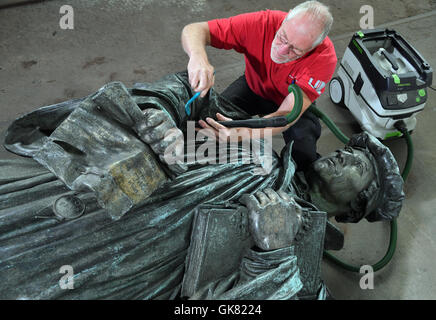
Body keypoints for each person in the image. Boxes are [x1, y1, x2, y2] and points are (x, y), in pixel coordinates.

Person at [0, 72, 403, 300]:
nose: (343, 154)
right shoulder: (255, 142)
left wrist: (273, 254)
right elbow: (187, 97)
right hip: (89, 193)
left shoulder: (301, 266)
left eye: (358, 164)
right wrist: (158, 118)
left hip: (119, 269)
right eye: (349, 149)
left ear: (353, 210)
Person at [181, 1, 337, 171]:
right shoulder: (262, 23)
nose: (282, 50)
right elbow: (195, 29)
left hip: (290, 102)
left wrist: (241, 134)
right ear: (286, 18)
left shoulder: (324, 58)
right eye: (282, 37)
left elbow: (285, 116)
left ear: (314, 47)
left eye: (295, 50)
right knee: (206, 122)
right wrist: (198, 58)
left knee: (304, 155)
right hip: (253, 86)